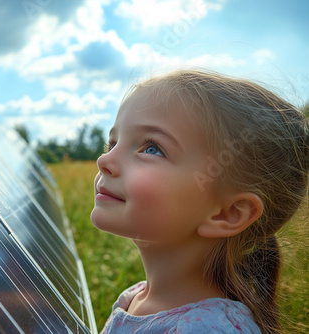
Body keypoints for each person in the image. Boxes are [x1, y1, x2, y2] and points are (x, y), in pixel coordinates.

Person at [91, 69, 309, 334]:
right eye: (112, 142)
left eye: (152, 148)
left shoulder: (207, 328)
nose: (105, 161)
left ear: (227, 214)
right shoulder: (135, 297)